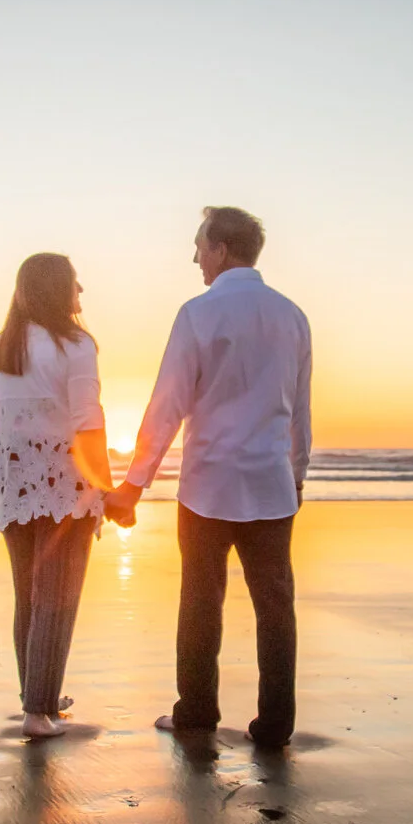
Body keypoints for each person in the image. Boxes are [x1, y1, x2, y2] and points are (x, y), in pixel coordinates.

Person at [105, 206, 312, 748]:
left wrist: (133, 483)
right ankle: (276, 724)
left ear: (221, 249)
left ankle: (197, 712)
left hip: (208, 485)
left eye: (199, 244)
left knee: (200, 600)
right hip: (270, 483)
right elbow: (300, 410)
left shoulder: (199, 312)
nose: (194, 255)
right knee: (276, 607)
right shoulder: (292, 316)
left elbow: (168, 403)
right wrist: (298, 474)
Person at [0, 253, 120, 739]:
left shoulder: (2, 346)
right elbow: (88, 421)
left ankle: (38, 696)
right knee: (58, 597)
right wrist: (105, 486)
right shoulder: (77, 344)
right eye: (77, 285)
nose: (82, 294)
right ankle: (38, 712)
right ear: (59, 290)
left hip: (11, 481)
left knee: (30, 597)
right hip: (64, 485)